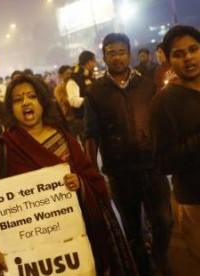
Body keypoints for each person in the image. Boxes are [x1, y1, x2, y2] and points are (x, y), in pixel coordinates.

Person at [0, 74, 137, 276]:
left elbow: (92, 178)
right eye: (18, 100)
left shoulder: (63, 138)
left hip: (74, 240)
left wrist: (80, 183)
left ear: (42, 102)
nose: (26, 102)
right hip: (30, 250)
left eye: (32, 96)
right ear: (11, 108)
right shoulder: (1, 149)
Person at [83, 33, 173, 275]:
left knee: (165, 221)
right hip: (120, 174)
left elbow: (162, 122)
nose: (117, 57)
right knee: (132, 230)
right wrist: (91, 172)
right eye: (111, 52)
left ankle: (160, 260)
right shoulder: (95, 93)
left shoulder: (147, 84)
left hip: (152, 167)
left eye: (122, 52)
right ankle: (143, 269)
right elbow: (91, 133)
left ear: (129, 54)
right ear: (104, 57)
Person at [149, 25, 200, 275]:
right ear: (167, 59)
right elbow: (164, 163)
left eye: (193, 49)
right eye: (178, 53)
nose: (188, 58)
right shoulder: (162, 104)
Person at [54, 65, 84, 138]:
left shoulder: (73, 84)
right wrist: (73, 98)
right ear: (61, 75)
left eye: (71, 73)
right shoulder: (59, 88)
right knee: (73, 140)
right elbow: (64, 102)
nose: (70, 75)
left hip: (78, 117)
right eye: (68, 73)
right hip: (69, 119)